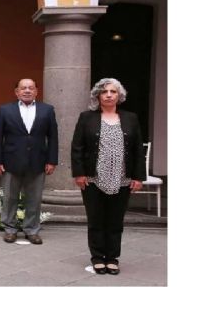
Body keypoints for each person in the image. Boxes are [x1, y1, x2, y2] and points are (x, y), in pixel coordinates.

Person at [71, 78, 145, 275]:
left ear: (119, 96)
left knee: (115, 220)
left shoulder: (131, 118)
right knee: (96, 219)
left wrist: (138, 177)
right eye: (105, 92)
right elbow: (77, 148)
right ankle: (97, 257)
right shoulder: (86, 117)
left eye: (113, 91)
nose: (109, 95)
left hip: (122, 179)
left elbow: (138, 149)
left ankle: (112, 258)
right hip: (93, 178)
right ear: (98, 96)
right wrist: (79, 173)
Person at [0, 78, 58, 244]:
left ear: (36, 91)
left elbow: (53, 137)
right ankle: (10, 229)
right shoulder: (4, 110)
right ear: (17, 92)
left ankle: (31, 229)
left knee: (34, 199)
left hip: (38, 161)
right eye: (23, 88)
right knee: (10, 198)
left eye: (30, 88)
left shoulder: (47, 110)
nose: (27, 91)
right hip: (10, 162)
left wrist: (52, 160)